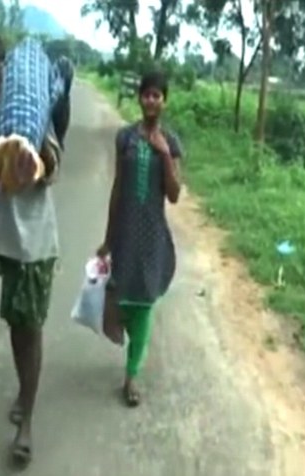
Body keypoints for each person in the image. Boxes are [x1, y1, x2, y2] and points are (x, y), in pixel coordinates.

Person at [0, 32, 70, 466]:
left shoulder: (34, 100)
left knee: (32, 325)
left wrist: (36, 152)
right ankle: (25, 391)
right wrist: (1, 140)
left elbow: (54, 168)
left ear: (5, 66)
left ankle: (26, 420)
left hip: (38, 236)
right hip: (7, 238)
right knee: (16, 324)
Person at [97, 70, 183, 407]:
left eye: (156, 95)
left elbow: (174, 194)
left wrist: (164, 154)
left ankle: (131, 375)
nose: (151, 100)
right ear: (140, 98)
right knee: (123, 297)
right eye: (146, 94)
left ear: (164, 101)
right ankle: (130, 341)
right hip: (126, 230)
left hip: (152, 233)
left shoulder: (171, 142)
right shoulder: (125, 138)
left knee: (145, 300)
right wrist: (108, 238)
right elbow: (118, 187)